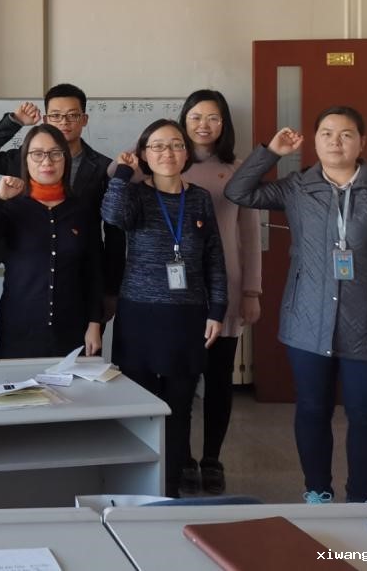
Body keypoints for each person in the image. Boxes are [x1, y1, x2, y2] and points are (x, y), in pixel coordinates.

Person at [225, 106, 367, 504]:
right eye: (327, 133)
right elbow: (238, 191)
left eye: (346, 134)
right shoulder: (298, 187)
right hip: (307, 321)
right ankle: (317, 490)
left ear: (362, 142)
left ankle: (362, 496)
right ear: (314, 141)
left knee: (366, 414)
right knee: (312, 410)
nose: (336, 141)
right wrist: (271, 152)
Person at [102, 118, 227, 498]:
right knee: (140, 405)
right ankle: (140, 487)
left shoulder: (200, 198)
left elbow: (214, 257)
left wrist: (217, 309)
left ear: (186, 153)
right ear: (144, 153)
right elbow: (112, 216)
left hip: (187, 317)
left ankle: (170, 488)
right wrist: (123, 173)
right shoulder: (135, 194)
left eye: (175, 145)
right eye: (157, 146)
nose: (167, 153)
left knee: (179, 406)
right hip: (139, 315)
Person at [0, 83, 124, 312]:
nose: (64, 122)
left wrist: (111, 289)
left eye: (72, 115)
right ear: (45, 119)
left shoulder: (103, 168)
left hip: (81, 277)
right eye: (56, 115)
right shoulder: (26, 159)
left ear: (84, 119)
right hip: (28, 277)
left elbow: (114, 234)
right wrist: (15, 121)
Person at [176, 90, 262, 494]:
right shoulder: (167, 163)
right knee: (180, 380)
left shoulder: (238, 170)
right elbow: (115, 177)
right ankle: (182, 457)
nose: (203, 125)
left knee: (219, 380)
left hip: (225, 288)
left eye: (212, 118)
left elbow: (250, 234)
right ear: (184, 120)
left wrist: (252, 291)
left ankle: (212, 458)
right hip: (178, 294)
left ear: (224, 123)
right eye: (195, 117)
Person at [0, 124, 104, 359]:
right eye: (37, 154)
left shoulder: (82, 209)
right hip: (20, 326)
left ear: (65, 158)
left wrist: (95, 323)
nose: (47, 162)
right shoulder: (11, 206)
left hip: (73, 327)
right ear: (25, 160)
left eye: (55, 153)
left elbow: (94, 270)